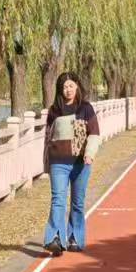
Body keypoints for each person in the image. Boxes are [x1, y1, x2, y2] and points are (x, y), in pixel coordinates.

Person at [43, 73, 101, 257]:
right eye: (64, 87)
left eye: (70, 86)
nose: (67, 90)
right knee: (58, 200)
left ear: (77, 86)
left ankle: (75, 237)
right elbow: (47, 138)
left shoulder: (86, 108)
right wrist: (46, 163)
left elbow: (94, 133)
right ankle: (55, 239)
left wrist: (90, 153)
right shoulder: (54, 110)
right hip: (58, 163)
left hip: (80, 163)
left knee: (77, 202)